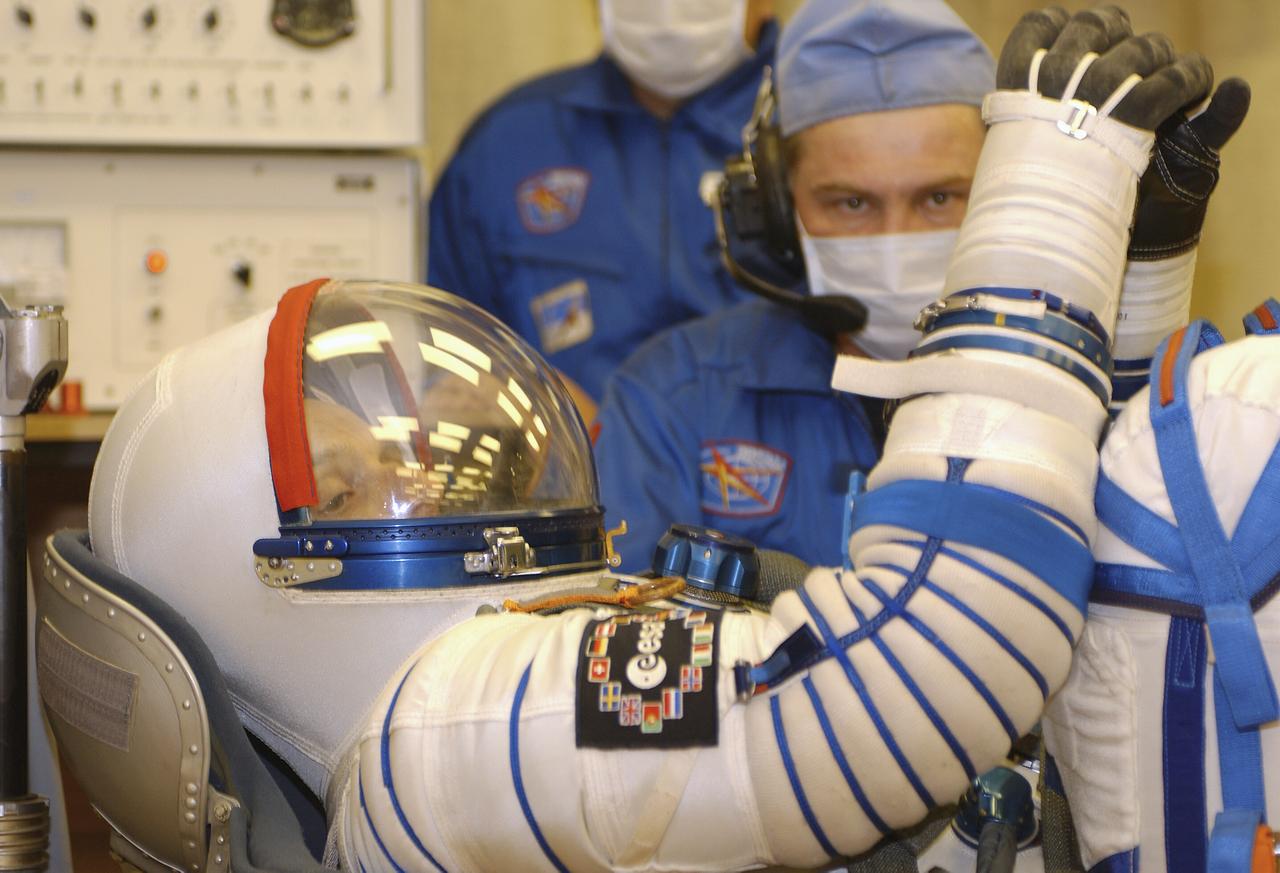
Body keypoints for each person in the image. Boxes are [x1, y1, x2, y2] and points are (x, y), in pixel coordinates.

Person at [56, 7, 1224, 872]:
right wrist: (1052, 198)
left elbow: (1104, 574)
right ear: (256, 571)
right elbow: (919, 660)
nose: (420, 468)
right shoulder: (464, 728)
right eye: (359, 478)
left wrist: (1132, 289)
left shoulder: (471, 704)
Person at [592, 0, 994, 572]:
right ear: (778, 212)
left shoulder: (1075, 387)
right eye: (852, 203)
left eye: (938, 198)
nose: (895, 240)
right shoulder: (668, 401)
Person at [428, 0, 777, 405]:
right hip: (563, 461)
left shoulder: (816, 130)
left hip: (772, 463)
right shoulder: (508, 145)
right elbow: (445, 365)